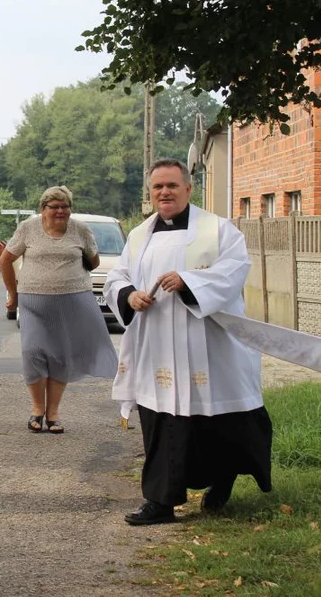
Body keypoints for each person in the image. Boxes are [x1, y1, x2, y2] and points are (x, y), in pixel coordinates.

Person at [104, 158, 273, 526]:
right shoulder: (139, 235)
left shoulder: (218, 230)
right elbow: (117, 276)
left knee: (219, 422)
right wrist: (130, 295)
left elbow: (234, 270)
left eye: (172, 186)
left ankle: (221, 482)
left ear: (188, 189)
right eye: (157, 187)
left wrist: (190, 283)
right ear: (150, 193)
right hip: (158, 345)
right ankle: (160, 502)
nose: (164, 192)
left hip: (209, 343)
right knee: (162, 422)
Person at [0, 186, 119, 434]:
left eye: (65, 206)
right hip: (33, 301)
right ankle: (36, 410)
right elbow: (5, 259)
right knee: (33, 352)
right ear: (43, 209)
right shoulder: (28, 229)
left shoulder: (80, 230)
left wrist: (83, 255)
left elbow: (93, 260)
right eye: (54, 206)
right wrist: (13, 294)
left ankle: (53, 414)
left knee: (60, 356)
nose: (60, 211)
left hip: (71, 301)